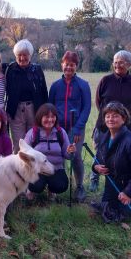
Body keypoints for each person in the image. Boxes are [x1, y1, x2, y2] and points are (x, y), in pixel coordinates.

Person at [89, 50, 131, 192]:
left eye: (122, 62)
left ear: (129, 64)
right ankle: (94, 178)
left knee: (122, 156)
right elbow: (98, 102)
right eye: (116, 62)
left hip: (126, 127)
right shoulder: (105, 80)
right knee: (100, 153)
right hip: (105, 125)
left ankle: (120, 182)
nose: (118, 65)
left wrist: (122, 118)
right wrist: (109, 118)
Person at [91, 101, 131, 222]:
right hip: (114, 181)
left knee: (128, 215)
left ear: (123, 119)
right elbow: (98, 159)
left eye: (115, 116)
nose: (110, 119)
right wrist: (96, 167)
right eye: (107, 116)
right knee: (107, 209)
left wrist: (128, 193)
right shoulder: (103, 138)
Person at [49, 51, 91, 202]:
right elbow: (50, 108)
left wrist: (78, 128)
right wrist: (54, 127)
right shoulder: (55, 86)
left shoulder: (83, 85)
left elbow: (86, 108)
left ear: (76, 66)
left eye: (72, 65)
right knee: (59, 156)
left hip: (76, 128)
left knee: (76, 156)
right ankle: (59, 186)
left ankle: (79, 186)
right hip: (59, 128)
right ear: (62, 65)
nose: (69, 68)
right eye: (66, 64)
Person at [4, 39, 48, 153]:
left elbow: (44, 91)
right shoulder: (9, 69)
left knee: (34, 143)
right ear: (15, 55)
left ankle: (33, 170)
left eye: (25, 55)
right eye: (19, 55)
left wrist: (45, 113)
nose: (22, 58)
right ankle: (18, 170)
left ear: (30, 55)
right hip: (16, 111)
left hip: (34, 110)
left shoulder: (37, 69)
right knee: (18, 144)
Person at [24, 103, 76, 201]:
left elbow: (68, 156)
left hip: (56, 169)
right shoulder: (33, 133)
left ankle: (51, 190)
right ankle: (31, 190)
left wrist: (71, 151)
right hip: (37, 170)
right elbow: (25, 155)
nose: (50, 120)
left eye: (53, 117)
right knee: (36, 186)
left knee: (61, 186)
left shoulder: (61, 133)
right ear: (40, 117)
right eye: (46, 117)